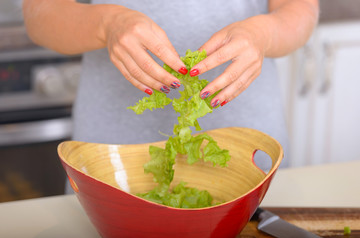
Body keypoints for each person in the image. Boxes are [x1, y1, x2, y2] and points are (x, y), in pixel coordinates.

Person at [23, 0, 319, 193]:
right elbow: (41, 15)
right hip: (113, 161)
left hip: (247, 156)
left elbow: (300, 10)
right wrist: (107, 22)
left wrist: (263, 34)